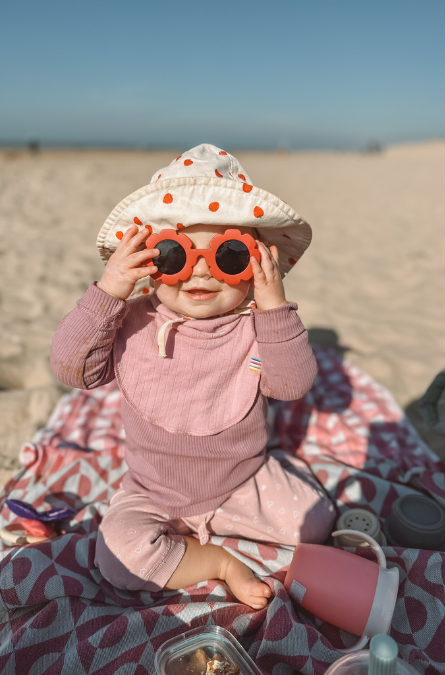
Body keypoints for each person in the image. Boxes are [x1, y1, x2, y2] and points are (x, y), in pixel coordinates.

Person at [50, 144, 335, 609]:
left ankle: (217, 526)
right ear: (147, 265)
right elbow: (70, 369)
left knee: (316, 521)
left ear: (257, 266)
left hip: (242, 481)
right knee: (116, 556)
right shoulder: (130, 322)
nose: (201, 268)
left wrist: (273, 307)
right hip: (152, 490)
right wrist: (109, 292)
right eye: (172, 253)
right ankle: (219, 561)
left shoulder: (257, 324)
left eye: (227, 254)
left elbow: (291, 384)